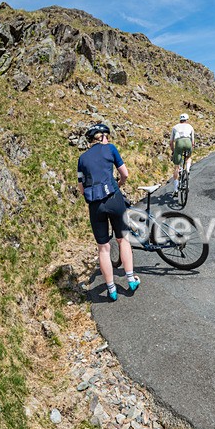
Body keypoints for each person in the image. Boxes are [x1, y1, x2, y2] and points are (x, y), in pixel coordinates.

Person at [77, 123, 139, 301]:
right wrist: (118, 185)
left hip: (95, 205)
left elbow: (81, 188)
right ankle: (131, 280)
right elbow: (125, 174)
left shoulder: (82, 159)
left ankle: (111, 290)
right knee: (123, 239)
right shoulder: (110, 148)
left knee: (103, 248)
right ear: (103, 137)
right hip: (113, 198)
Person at [170, 113, 195, 197]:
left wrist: (174, 151)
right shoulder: (190, 126)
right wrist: (190, 151)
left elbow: (171, 142)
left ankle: (175, 189)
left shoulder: (175, 127)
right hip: (188, 142)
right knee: (188, 157)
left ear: (180, 120)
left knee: (177, 166)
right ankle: (187, 170)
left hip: (179, 142)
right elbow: (193, 142)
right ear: (187, 120)